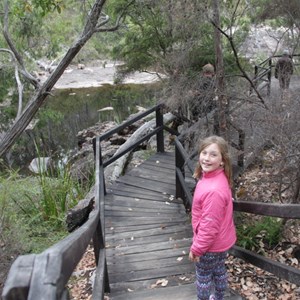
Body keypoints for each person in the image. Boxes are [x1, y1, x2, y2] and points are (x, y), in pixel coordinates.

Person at [189, 135, 237, 300]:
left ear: (222, 160)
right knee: (218, 269)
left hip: (210, 245)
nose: (207, 158)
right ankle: (219, 296)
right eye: (204, 153)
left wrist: (197, 248)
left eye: (213, 155)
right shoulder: (216, 176)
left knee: (203, 276)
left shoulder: (213, 190)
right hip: (223, 241)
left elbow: (209, 228)